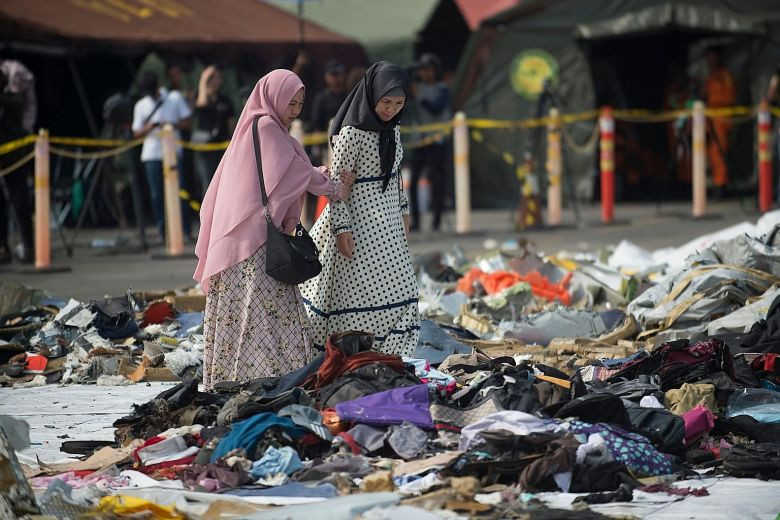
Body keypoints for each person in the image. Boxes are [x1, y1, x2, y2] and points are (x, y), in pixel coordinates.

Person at [194, 69, 356, 388]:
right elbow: (295, 173)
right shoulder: (267, 127)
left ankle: (250, 376)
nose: (295, 110)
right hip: (253, 242)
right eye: (291, 103)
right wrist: (332, 187)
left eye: (299, 104)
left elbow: (295, 170)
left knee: (254, 311)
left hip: (246, 238)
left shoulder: (267, 129)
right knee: (260, 310)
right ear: (273, 98)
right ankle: (265, 377)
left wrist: (323, 178)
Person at [299, 62, 421, 357]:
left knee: (403, 288)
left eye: (399, 103)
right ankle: (353, 350)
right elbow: (337, 188)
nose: (391, 109)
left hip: (389, 222)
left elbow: (395, 174)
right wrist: (341, 229)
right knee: (354, 291)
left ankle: (390, 351)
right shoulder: (351, 133)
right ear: (372, 95)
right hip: (357, 223)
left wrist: (404, 211)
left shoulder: (393, 129)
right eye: (386, 102)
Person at [131, 72, 192, 242]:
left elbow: (187, 121)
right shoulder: (141, 105)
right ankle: (162, 231)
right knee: (157, 194)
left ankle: (185, 230)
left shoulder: (173, 98)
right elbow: (136, 133)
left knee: (180, 192)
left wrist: (171, 124)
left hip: (173, 153)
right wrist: (149, 127)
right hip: (152, 154)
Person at [408, 53, 451, 231]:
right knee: (414, 181)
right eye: (422, 70)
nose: (424, 73)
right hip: (419, 140)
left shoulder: (442, 89)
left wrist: (420, 96)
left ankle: (436, 220)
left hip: (436, 140)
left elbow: (437, 107)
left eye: (427, 69)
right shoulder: (416, 88)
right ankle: (416, 220)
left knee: (437, 181)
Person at [0, 68, 33, 263]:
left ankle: (29, 246)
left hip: (14, 159)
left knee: (20, 201)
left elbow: (18, 105)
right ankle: (3, 247)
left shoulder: (11, 99)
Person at [193, 65, 235, 197]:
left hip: (222, 145)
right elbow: (201, 103)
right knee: (208, 181)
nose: (215, 81)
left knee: (224, 181)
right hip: (205, 147)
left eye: (218, 78)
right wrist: (203, 79)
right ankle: (207, 215)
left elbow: (231, 123)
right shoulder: (200, 96)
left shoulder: (225, 100)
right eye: (212, 78)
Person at [704, 48, 736, 195]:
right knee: (711, 153)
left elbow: (730, 98)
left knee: (719, 152)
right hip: (711, 118)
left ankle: (722, 184)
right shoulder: (710, 77)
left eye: (712, 58)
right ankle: (718, 182)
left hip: (722, 118)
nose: (710, 61)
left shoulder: (725, 76)